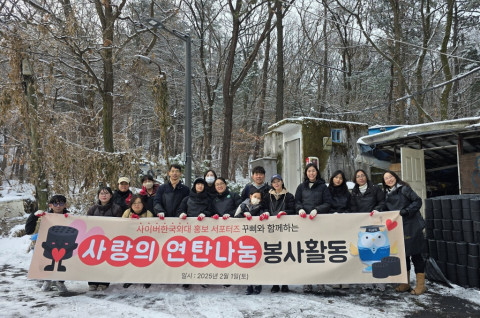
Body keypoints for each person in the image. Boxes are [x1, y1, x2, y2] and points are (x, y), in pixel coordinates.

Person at [381, 170, 426, 295]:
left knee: (416, 255)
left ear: (395, 177)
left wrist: (407, 210)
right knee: (403, 256)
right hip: (399, 228)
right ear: (384, 182)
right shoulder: (387, 194)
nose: (389, 179)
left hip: (413, 226)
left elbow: (418, 201)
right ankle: (405, 283)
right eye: (386, 178)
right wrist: (376, 210)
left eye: (390, 177)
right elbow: (384, 207)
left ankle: (421, 286)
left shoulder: (404, 189)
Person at [294, 163, 332, 293]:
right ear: (306, 173)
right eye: (309, 171)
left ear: (317, 172)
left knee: (318, 253)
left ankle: (321, 281)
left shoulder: (323, 187)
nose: (311, 173)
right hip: (304, 223)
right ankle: (307, 281)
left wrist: (317, 210)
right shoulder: (301, 187)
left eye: (313, 171)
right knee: (306, 253)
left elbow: (328, 203)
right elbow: (297, 201)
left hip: (319, 223)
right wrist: (299, 209)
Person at [349, 169, 385, 291]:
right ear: (355, 179)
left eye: (362, 175)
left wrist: (377, 209)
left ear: (366, 176)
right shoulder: (354, 192)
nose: (361, 178)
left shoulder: (375, 189)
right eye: (358, 176)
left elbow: (382, 202)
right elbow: (352, 207)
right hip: (362, 226)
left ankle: (380, 280)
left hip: (375, 224)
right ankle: (367, 280)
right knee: (366, 254)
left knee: (378, 252)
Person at [25, 195, 70, 292]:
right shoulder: (44, 217)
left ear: (65, 205)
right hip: (48, 244)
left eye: (61, 203)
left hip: (63, 244)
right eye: (55, 203)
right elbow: (28, 230)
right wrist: (34, 216)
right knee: (47, 261)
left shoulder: (70, 217)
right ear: (50, 205)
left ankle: (60, 282)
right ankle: (47, 280)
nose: (58, 206)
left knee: (63, 262)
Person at [86, 186, 123, 291]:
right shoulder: (93, 209)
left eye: (106, 193)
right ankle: (92, 282)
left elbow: (119, 224)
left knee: (105, 261)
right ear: (98, 196)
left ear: (111, 195)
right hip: (95, 239)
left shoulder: (116, 208)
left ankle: (104, 282)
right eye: (101, 193)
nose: (104, 195)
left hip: (110, 239)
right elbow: (87, 222)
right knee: (93, 260)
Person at [264, 174, 295, 293]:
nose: (276, 183)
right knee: (274, 256)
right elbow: (263, 207)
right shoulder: (267, 196)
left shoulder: (289, 196)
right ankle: (275, 282)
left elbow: (293, 210)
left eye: (278, 181)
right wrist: (266, 212)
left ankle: (285, 282)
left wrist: (285, 212)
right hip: (271, 230)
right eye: (274, 182)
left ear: (282, 182)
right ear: (271, 184)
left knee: (285, 256)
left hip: (285, 230)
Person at [235, 188, 266, 295]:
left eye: (258, 198)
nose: (256, 199)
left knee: (257, 261)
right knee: (247, 261)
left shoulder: (261, 208)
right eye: (255, 197)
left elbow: (265, 219)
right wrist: (243, 215)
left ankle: (258, 283)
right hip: (244, 238)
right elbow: (235, 217)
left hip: (257, 237)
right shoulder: (243, 206)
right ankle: (249, 284)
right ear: (250, 196)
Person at [122, 194, 153, 289]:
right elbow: (121, 225)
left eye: (139, 203)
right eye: (134, 203)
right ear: (131, 205)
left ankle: (146, 279)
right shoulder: (127, 213)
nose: (137, 205)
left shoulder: (148, 214)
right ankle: (130, 279)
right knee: (130, 261)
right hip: (130, 241)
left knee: (145, 261)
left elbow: (152, 228)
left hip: (145, 242)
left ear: (143, 204)